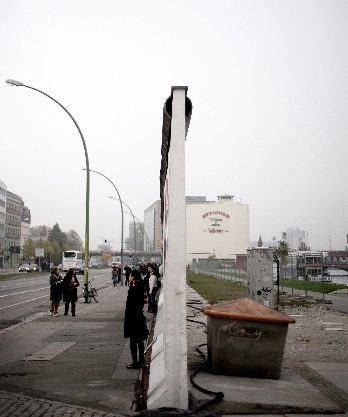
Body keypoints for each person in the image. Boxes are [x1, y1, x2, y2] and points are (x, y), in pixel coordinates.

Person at [124, 269, 149, 369]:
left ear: (133, 277)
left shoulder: (133, 290)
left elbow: (130, 307)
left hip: (133, 319)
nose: (129, 278)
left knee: (133, 342)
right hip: (139, 318)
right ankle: (141, 360)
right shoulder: (141, 287)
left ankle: (135, 362)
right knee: (140, 341)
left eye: (130, 276)